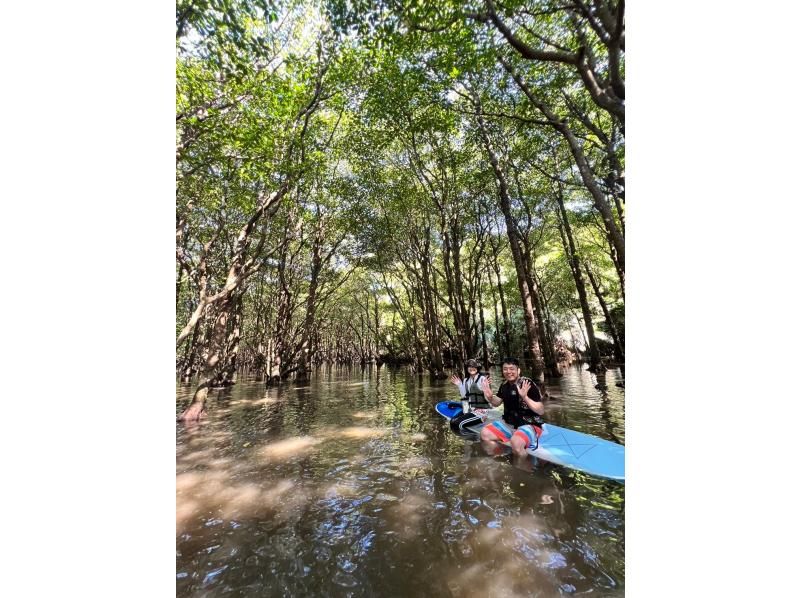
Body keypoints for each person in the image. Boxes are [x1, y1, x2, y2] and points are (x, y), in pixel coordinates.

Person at [479, 357, 546, 457]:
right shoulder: (504, 385)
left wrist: (525, 397)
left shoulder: (527, 384)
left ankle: (523, 469)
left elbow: (541, 411)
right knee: (484, 434)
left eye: (511, 369)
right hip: (509, 424)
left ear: (518, 370)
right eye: (505, 369)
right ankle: (503, 456)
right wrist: (489, 397)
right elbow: (496, 403)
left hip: (530, 424)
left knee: (516, 443)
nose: (508, 372)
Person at [448, 358, 492, 433]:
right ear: (467, 368)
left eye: (474, 366)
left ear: (477, 368)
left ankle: (470, 439)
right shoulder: (466, 380)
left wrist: (487, 389)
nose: (472, 368)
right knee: (452, 421)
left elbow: (488, 398)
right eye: (469, 366)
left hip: (481, 412)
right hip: (470, 409)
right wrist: (459, 385)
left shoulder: (482, 379)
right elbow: (464, 397)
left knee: (458, 424)